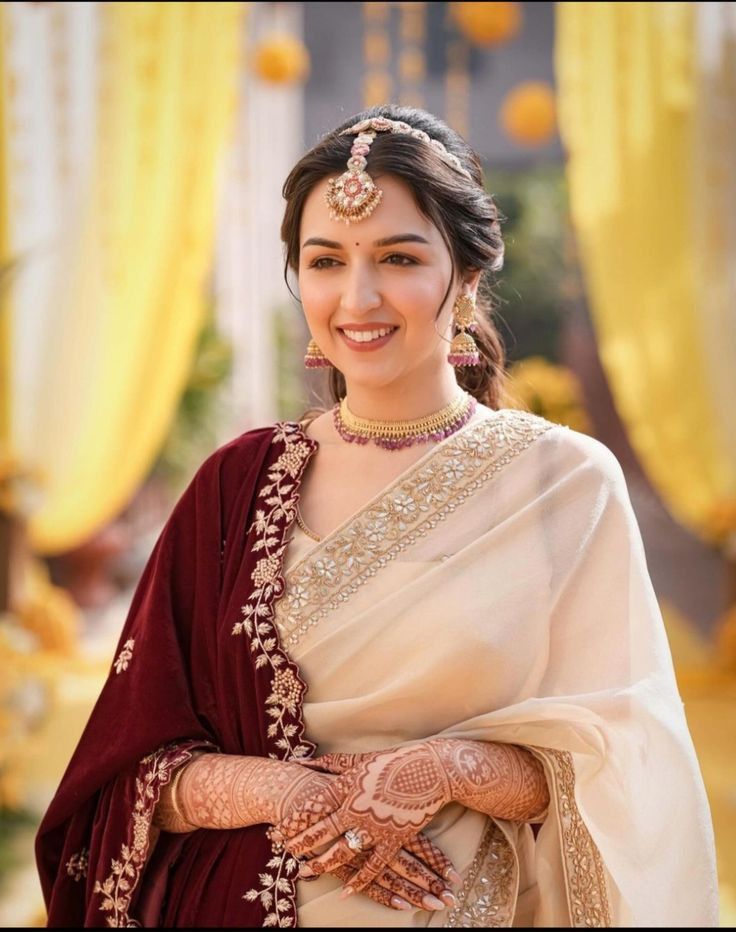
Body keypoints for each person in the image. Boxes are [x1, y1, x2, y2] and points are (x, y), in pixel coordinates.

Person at [35, 104, 719, 928]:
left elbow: (620, 759)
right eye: (325, 261)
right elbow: (130, 770)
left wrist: (441, 770)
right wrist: (282, 789)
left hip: (477, 903)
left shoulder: (563, 483)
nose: (357, 297)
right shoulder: (233, 486)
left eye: (398, 257)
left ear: (465, 278)